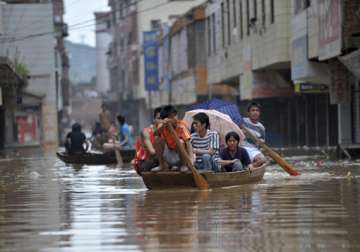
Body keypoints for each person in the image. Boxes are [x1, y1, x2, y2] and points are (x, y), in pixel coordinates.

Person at [153, 105, 192, 172]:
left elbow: (188, 144)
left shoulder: (181, 126)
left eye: (175, 116)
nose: (174, 118)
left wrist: (191, 159)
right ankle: (162, 165)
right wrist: (164, 125)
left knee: (181, 142)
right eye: (171, 117)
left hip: (182, 156)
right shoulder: (163, 126)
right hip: (169, 155)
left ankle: (183, 165)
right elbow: (155, 134)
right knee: (157, 140)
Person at [133, 107, 162, 173]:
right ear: (154, 120)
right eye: (159, 119)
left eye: (163, 119)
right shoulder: (146, 132)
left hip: (158, 160)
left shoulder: (166, 132)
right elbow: (152, 152)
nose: (161, 121)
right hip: (144, 162)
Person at [241, 102, 266, 167]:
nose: (255, 112)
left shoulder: (261, 127)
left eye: (257, 110)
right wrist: (240, 131)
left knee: (263, 160)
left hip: (253, 149)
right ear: (248, 113)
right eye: (253, 110)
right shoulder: (242, 121)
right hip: (241, 147)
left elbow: (262, 141)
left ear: (259, 113)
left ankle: (249, 167)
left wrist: (261, 142)